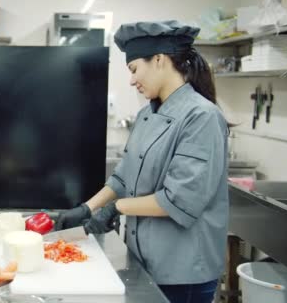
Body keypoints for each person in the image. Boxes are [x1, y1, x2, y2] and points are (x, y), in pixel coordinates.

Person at [55, 20, 229, 303]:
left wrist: (116, 208)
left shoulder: (202, 116)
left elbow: (180, 199)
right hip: (143, 258)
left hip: (182, 270)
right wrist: (87, 208)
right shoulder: (148, 114)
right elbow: (123, 177)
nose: (131, 80)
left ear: (159, 60)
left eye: (134, 69)